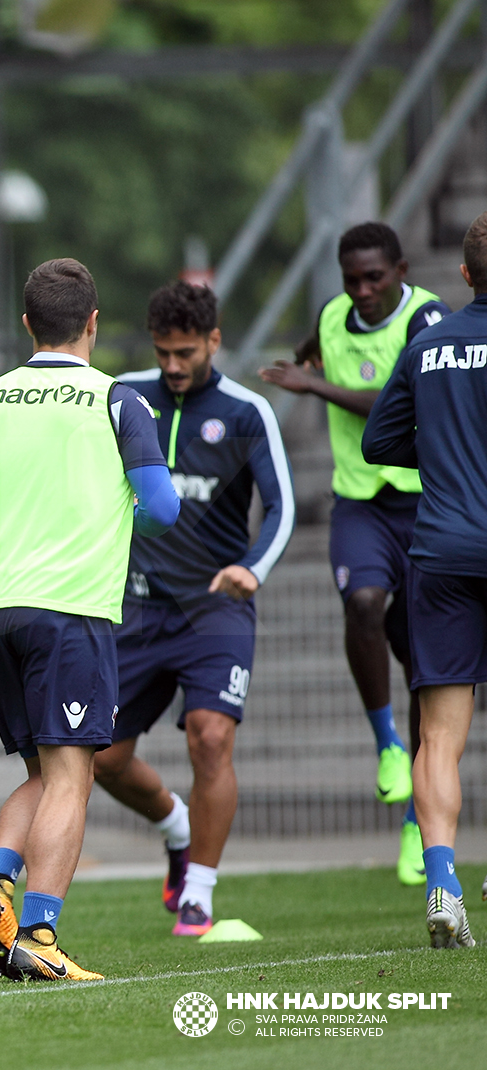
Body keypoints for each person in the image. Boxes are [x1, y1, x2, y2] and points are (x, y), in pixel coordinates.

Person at [0, 258, 180, 981]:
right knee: (72, 774)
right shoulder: (117, 400)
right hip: (67, 605)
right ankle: (42, 934)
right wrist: (103, 522)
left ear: (27, 325)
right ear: (93, 324)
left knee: (42, 770)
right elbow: (163, 508)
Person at [93, 280, 294, 936]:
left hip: (215, 609)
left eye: (186, 352)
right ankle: (176, 828)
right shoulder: (123, 396)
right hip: (134, 608)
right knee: (100, 758)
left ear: (214, 340)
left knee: (211, 737)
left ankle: (200, 893)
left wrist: (251, 567)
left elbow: (282, 507)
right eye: (163, 353)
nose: (173, 366)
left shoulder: (245, 412)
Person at [260, 222, 448, 885]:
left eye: (375, 277)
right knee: (363, 602)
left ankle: (416, 825)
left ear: (401, 269)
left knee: (426, 665)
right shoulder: (335, 315)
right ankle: (388, 746)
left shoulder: (428, 316)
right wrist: (307, 358)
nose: (363, 291)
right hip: (360, 501)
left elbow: (406, 399)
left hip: (426, 500)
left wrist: (315, 389)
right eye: (351, 279)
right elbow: (319, 344)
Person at [362, 209, 487, 949]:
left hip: (439, 553)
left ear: (465, 276)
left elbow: (379, 441)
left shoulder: (430, 342)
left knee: (440, 735)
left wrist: (444, 460)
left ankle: (442, 882)